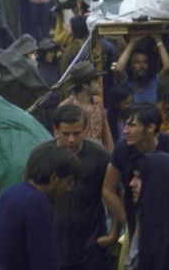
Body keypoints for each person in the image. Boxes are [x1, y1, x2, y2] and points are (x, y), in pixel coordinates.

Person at [0, 144, 82, 270]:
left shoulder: (8, 193)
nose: (68, 188)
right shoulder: (37, 202)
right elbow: (43, 260)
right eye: (68, 181)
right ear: (54, 177)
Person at [45, 104, 116, 270]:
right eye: (65, 134)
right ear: (55, 130)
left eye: (77, 133)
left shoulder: (99, 155)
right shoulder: (42, 156)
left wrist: (113, 235)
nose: (71, 140)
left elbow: (115, 193)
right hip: (54, 247)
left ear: (85, 129)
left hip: (91, 248)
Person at [101, 102, 169, 233]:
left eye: (132, 125)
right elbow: (107, 189)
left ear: (150, 127)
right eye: (125, 124)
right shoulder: (124, 147)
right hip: (137, 215)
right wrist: (129, 225)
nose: (125, 130)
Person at [59, 60, 114, 151]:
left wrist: (110, 156)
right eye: (95, 80)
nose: (99, 83)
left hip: (99, 157)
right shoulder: (66, 107)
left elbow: (106, 133)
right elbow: (60, 139)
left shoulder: (98, 103)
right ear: (85, 85)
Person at [112, 34, 169, 103]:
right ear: (131, 65)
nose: (141, 65)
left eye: (145, 62)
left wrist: (158, 40)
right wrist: (132, 42)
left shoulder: (155, 82)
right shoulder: (126, 83)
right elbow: (118, 69)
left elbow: (167, 67)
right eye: (137, 62)